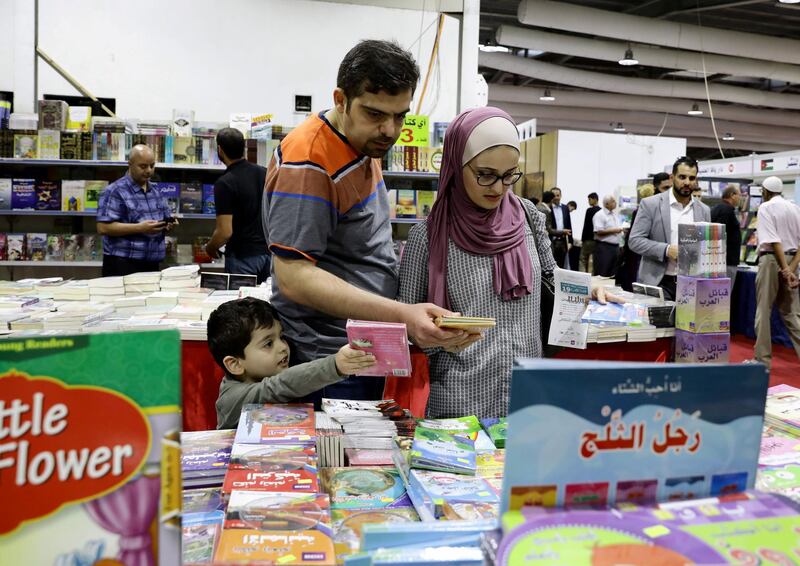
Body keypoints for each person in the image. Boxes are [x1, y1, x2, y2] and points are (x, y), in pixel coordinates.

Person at [264, 40, 468, 403]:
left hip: (358, 349)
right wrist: (403, 314)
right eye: (375, 114)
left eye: (400, 115)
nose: (390, 130)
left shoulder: (360, 142)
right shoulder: (310, 162)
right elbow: (294, 277)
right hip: (329, 360)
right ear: (340, 100)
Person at [397, 107, 615, 419]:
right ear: (457, 166)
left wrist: (588, 286)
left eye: (510, 175)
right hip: (460, 401)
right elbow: (406, 321)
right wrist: (431, 335)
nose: (499, 188)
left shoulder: (528, 215)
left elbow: (551, 277)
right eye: (485, 175)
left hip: (527, 392)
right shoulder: (428, 236)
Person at [209, 298, 376, 429]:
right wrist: (335, 365)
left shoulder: (268, 371)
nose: (283, 347)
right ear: (235, 364)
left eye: (281, 337)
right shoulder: (232, 399)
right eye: (268, 344)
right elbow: (279, 386)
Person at [628, 156, 710, 301]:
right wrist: (666, 250)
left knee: (685, 325)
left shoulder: (704, 210)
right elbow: (635, 241)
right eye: (682, 177)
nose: (687, 182)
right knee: (657, 324)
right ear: (672, 178)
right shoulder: (650, 204)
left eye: (692, 178)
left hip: (691, 284)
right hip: (658, 282)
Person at [96, 144, 177, 276]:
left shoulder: (155, 190)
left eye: (152, 165)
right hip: (122, 264)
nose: (149, 171)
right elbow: (103, 228)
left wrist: (167, 224)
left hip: (152, 264)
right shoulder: (114, 191)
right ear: (130, 164)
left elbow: (163, 217)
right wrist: (140, 228)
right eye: (143, 166)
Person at [205, 128, 271, 283]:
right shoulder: (265, 173)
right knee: (266, 305)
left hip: (242, 258)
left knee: (241, 305)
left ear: (220, 150)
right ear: (245, 147)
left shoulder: (225, 183)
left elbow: (225, 231)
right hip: (269, 254)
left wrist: (210, 248)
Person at [753, 176, 800, 369]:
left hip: (773, 260)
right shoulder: (795, 208)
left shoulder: (766, 208)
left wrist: (785, 269)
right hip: (791, 260)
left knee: (764, 311)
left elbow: (774, 241)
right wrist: (792, 268)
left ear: (765, 191)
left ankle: (762, 362)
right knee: (791, 314)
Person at [616, 184, 654, 291]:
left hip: (636, 250)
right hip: (647, 248)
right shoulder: (654, 209)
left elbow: (633, 233)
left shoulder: (639, 210)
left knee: (633, 273)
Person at [710, 184, 742, 286]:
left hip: (719, 261)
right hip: (726, 262)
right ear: (732, 195)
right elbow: (719, 235)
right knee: (724, 294)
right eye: (739, 195)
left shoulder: (718, 208)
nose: (739, 199)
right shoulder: (727, 210)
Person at [593, 195, 623, 277]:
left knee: (612, 274)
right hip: (604, 247)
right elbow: (598, 231)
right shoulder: (600, 215)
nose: (615, 203)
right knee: (602, 272)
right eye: (613, 201)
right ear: (606, 204)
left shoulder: (614, 215)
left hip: (615, 247)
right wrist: (614, 230)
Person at [547, 187, 572, 268]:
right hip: (551, 241)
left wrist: (570, 241)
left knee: (561, 266)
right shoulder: (548, 208)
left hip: (563, 241)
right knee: (551, 266)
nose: (556, 197)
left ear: (561, 196)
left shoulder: (565, 208)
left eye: (558, 195)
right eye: (554, 195)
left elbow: (569, 224)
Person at [579, 192, 601, 273]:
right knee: (595, 260)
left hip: (588, 239)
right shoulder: (601, 211)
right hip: (597, 240)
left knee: (583, 259)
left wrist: (582, 239)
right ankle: (593, 277)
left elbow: (586, 225)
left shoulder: (589, 210)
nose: (588, 201)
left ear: (595, 199)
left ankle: (582, 276)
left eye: (589, 199)